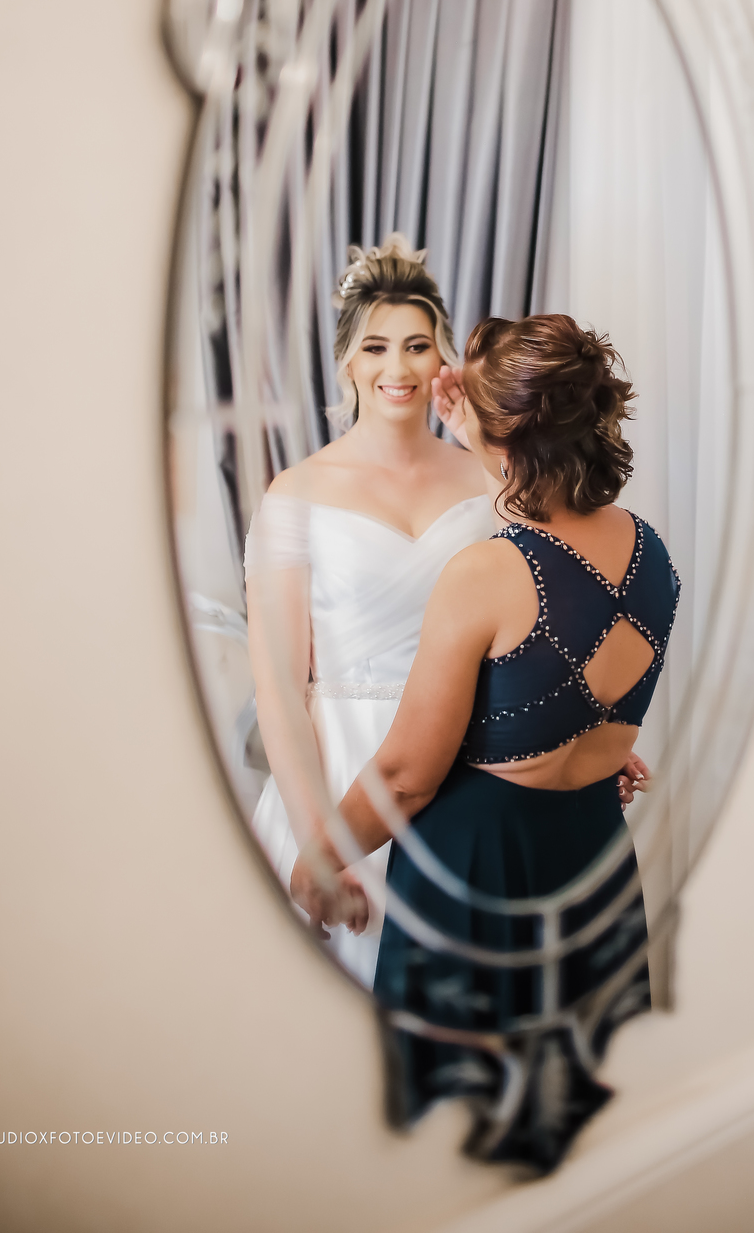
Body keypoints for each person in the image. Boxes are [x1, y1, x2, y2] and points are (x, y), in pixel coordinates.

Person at [290, 314, 679, 1169]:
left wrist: (322, 858)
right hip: (592, 861)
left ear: (504, 434)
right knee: (577, 1136)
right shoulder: (650, 553)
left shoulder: (488, 572)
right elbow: (562, 696)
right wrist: (483, 432)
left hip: (476, 874)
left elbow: (407, 773)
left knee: (448, 1148)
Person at [243, 234, 494, 988]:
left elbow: (534, 617)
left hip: (464, 773)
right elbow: (279, 687)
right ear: (347, 362)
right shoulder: (295, 494)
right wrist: (320, 844)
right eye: (376, 348)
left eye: (417, 346)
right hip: (336, 775)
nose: (398, 368)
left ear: (441, 357)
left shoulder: (488, 482)